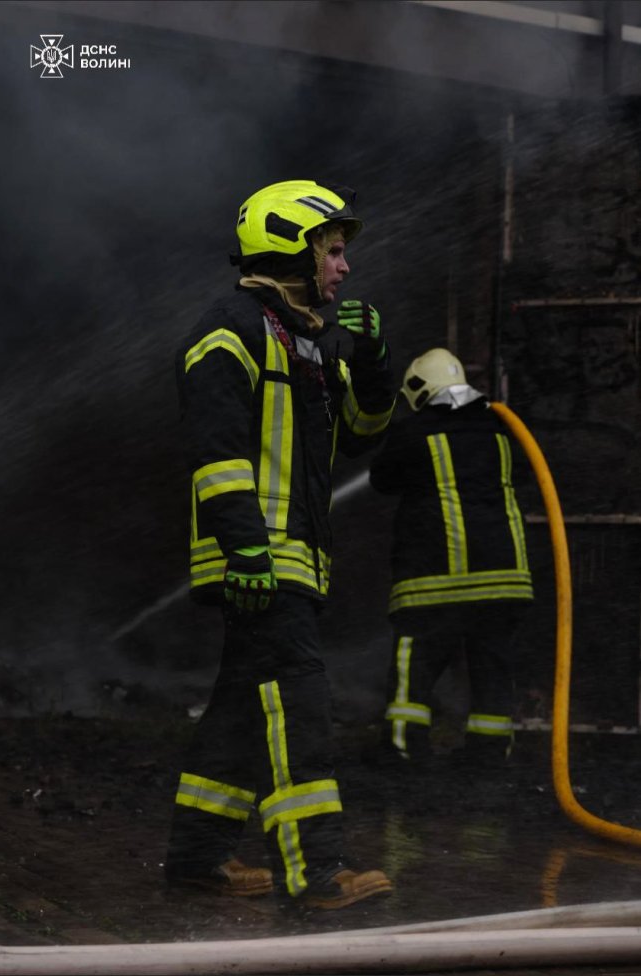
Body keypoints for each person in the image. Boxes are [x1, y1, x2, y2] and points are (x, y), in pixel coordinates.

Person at [164, 179, 396, 910]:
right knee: (299, 704)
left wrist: (374, 360)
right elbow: (218, 454)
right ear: (291, 251)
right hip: (260, 561)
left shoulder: (306, 344)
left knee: (239, 712)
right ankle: (314, 874)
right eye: (332, 251)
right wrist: (248, 551)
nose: (343, 268)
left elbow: (360, 436)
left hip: (288, 560)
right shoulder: (228, 329)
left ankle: (198, 862)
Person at [369, 348, 534, 771]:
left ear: (420, 389)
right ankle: (490, 758)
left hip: (434, 579)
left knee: (415, 663)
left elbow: (382, 480)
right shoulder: (501, 428)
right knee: (493, 667)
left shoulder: (413, 433)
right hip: (504, 578)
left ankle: (404, 751)